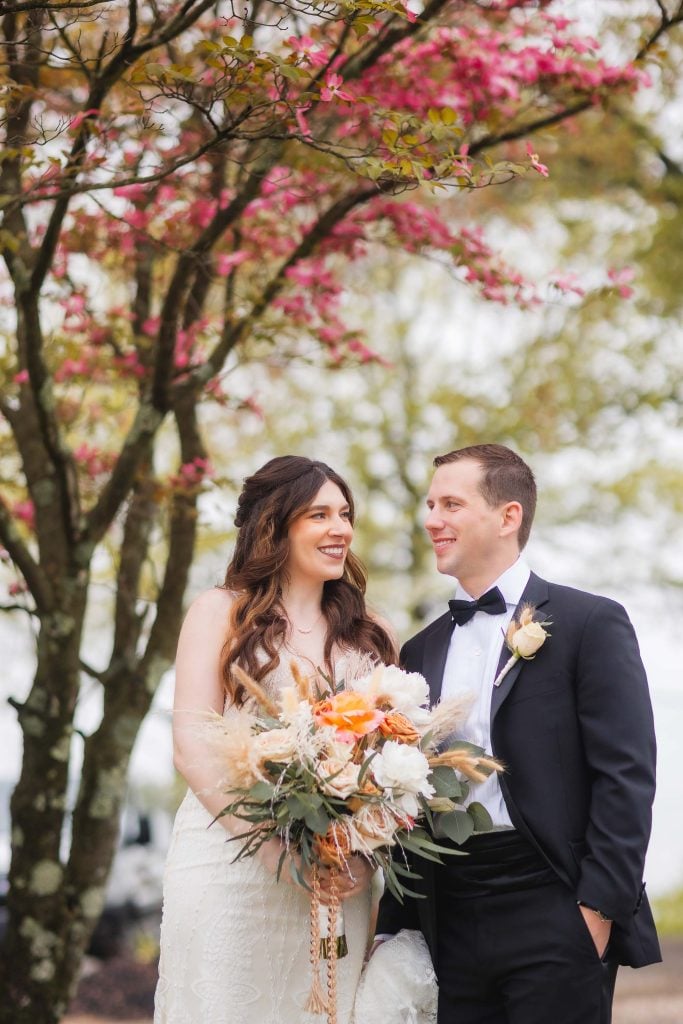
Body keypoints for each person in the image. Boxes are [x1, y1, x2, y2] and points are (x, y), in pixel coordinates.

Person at [375, 443, 661, 1024]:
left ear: (509, 517)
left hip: (554, 905)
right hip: (449, 915)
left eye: (451, 504)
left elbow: (626, 775)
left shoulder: (590, 624)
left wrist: (596, 913)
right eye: (430, 504)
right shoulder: (418, 650)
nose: (432, 519)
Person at [154, 455, 397, 1024]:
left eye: (345, 514)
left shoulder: (372, 632)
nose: (340, 529)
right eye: (319, 515)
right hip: (230, 865)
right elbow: (191, 747)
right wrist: (278, 855)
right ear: (274, 525)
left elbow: (391, 757)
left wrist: (361, 851)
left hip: (341, 877)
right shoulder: (221, 613)